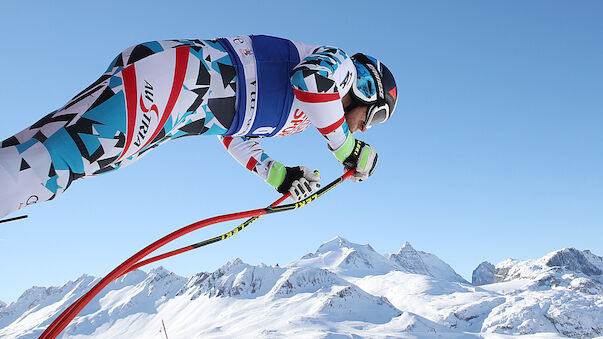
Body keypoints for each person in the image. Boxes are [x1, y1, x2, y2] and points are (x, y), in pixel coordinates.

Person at [0, 35, 398, 219]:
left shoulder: (298, 118)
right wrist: (345, 150)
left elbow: (236, 136)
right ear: (367, 88)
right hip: (175, 84)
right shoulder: (340, 65)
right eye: (375, 116)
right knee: (53, 167)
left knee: (46, 150)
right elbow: (311, 82)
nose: (365, 129)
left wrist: (279, 174)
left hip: (172, 103)